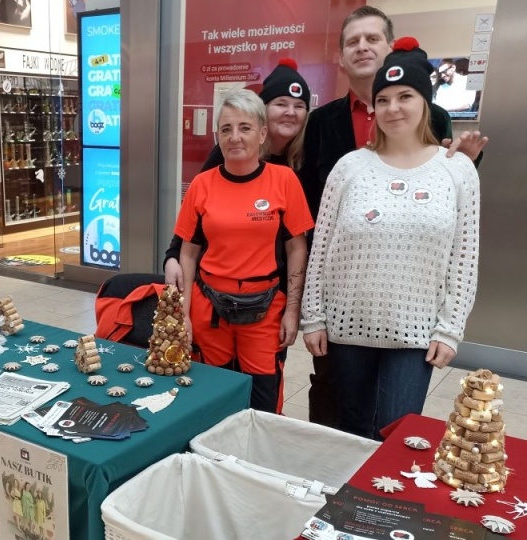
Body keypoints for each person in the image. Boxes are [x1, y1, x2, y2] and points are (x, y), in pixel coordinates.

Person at [300, 6, 489, 429]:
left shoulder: (456, 169)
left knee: (397, 432)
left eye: (406, 97)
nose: (393, 108)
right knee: (348, 428)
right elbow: (322, 248)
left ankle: (383, 498)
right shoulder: (349, 167)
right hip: (349, 326)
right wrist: (313, 316)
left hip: (415, 331)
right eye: (383, 99)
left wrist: (449, 329)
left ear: (425, 103)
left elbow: (464, 258)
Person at [174, 88, 315, 413]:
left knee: (263, 403)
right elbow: (188, 253)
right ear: (218, 136)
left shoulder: (284, 180)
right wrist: (183, 315)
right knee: (212, 397)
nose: (235, 137)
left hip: (265, 312)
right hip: (210, 311)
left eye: (245, 127)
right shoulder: (202, 185)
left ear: (262, 133)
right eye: (226, 129)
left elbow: (297, 248)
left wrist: (292, 311)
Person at [164, 58, 312, 292]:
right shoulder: (227, 153)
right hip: (218, 284)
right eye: (281, 104)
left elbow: (297, 240)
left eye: (299, 106)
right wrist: (172, 255)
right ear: (263, 111)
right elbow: (196, 215)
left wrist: (291, 303)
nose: (290, 113)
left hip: (272, 289)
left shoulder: (304, 158)